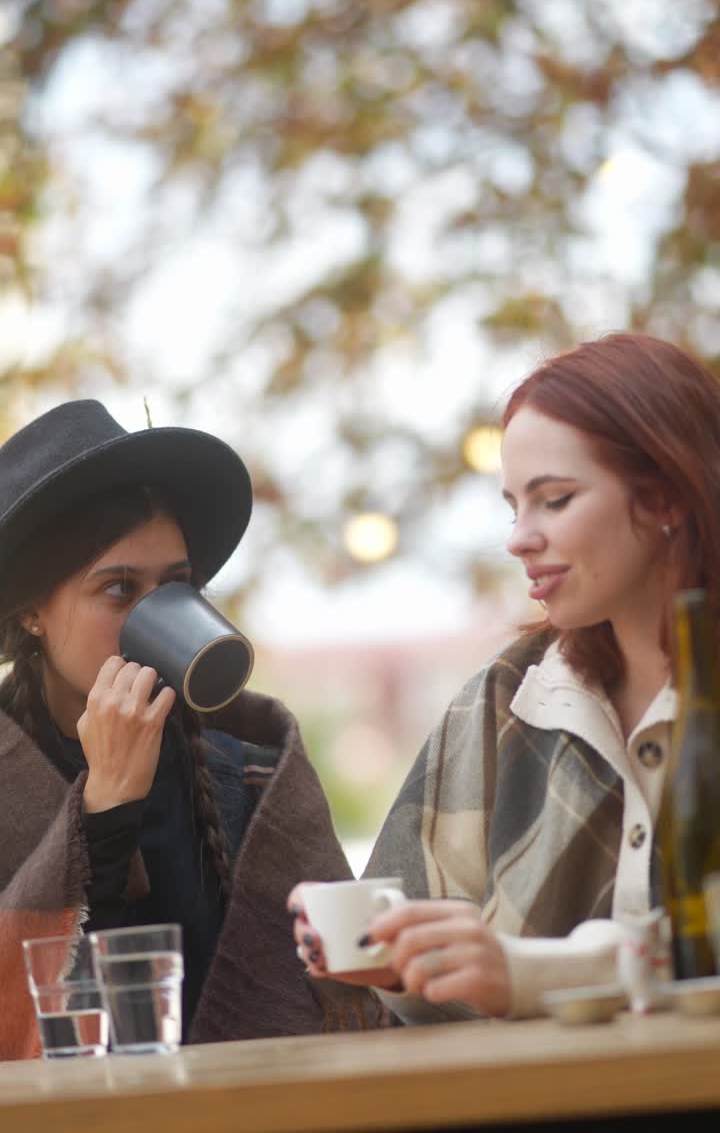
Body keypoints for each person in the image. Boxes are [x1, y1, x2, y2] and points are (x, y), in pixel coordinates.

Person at [290, 331, 719, 1023]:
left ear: (667, 495)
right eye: (513, 506)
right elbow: (416, 1000)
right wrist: (395, 962)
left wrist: (535, 973)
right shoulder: (506, 700)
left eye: (554, 500)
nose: (519, 537)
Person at [0, 399, 384, 1060]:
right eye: (120, 590)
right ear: (33, 611)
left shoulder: (255, 766)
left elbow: (349, 996)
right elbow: (28, 1019)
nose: (157, 614)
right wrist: (106, 805)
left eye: (178, 586)